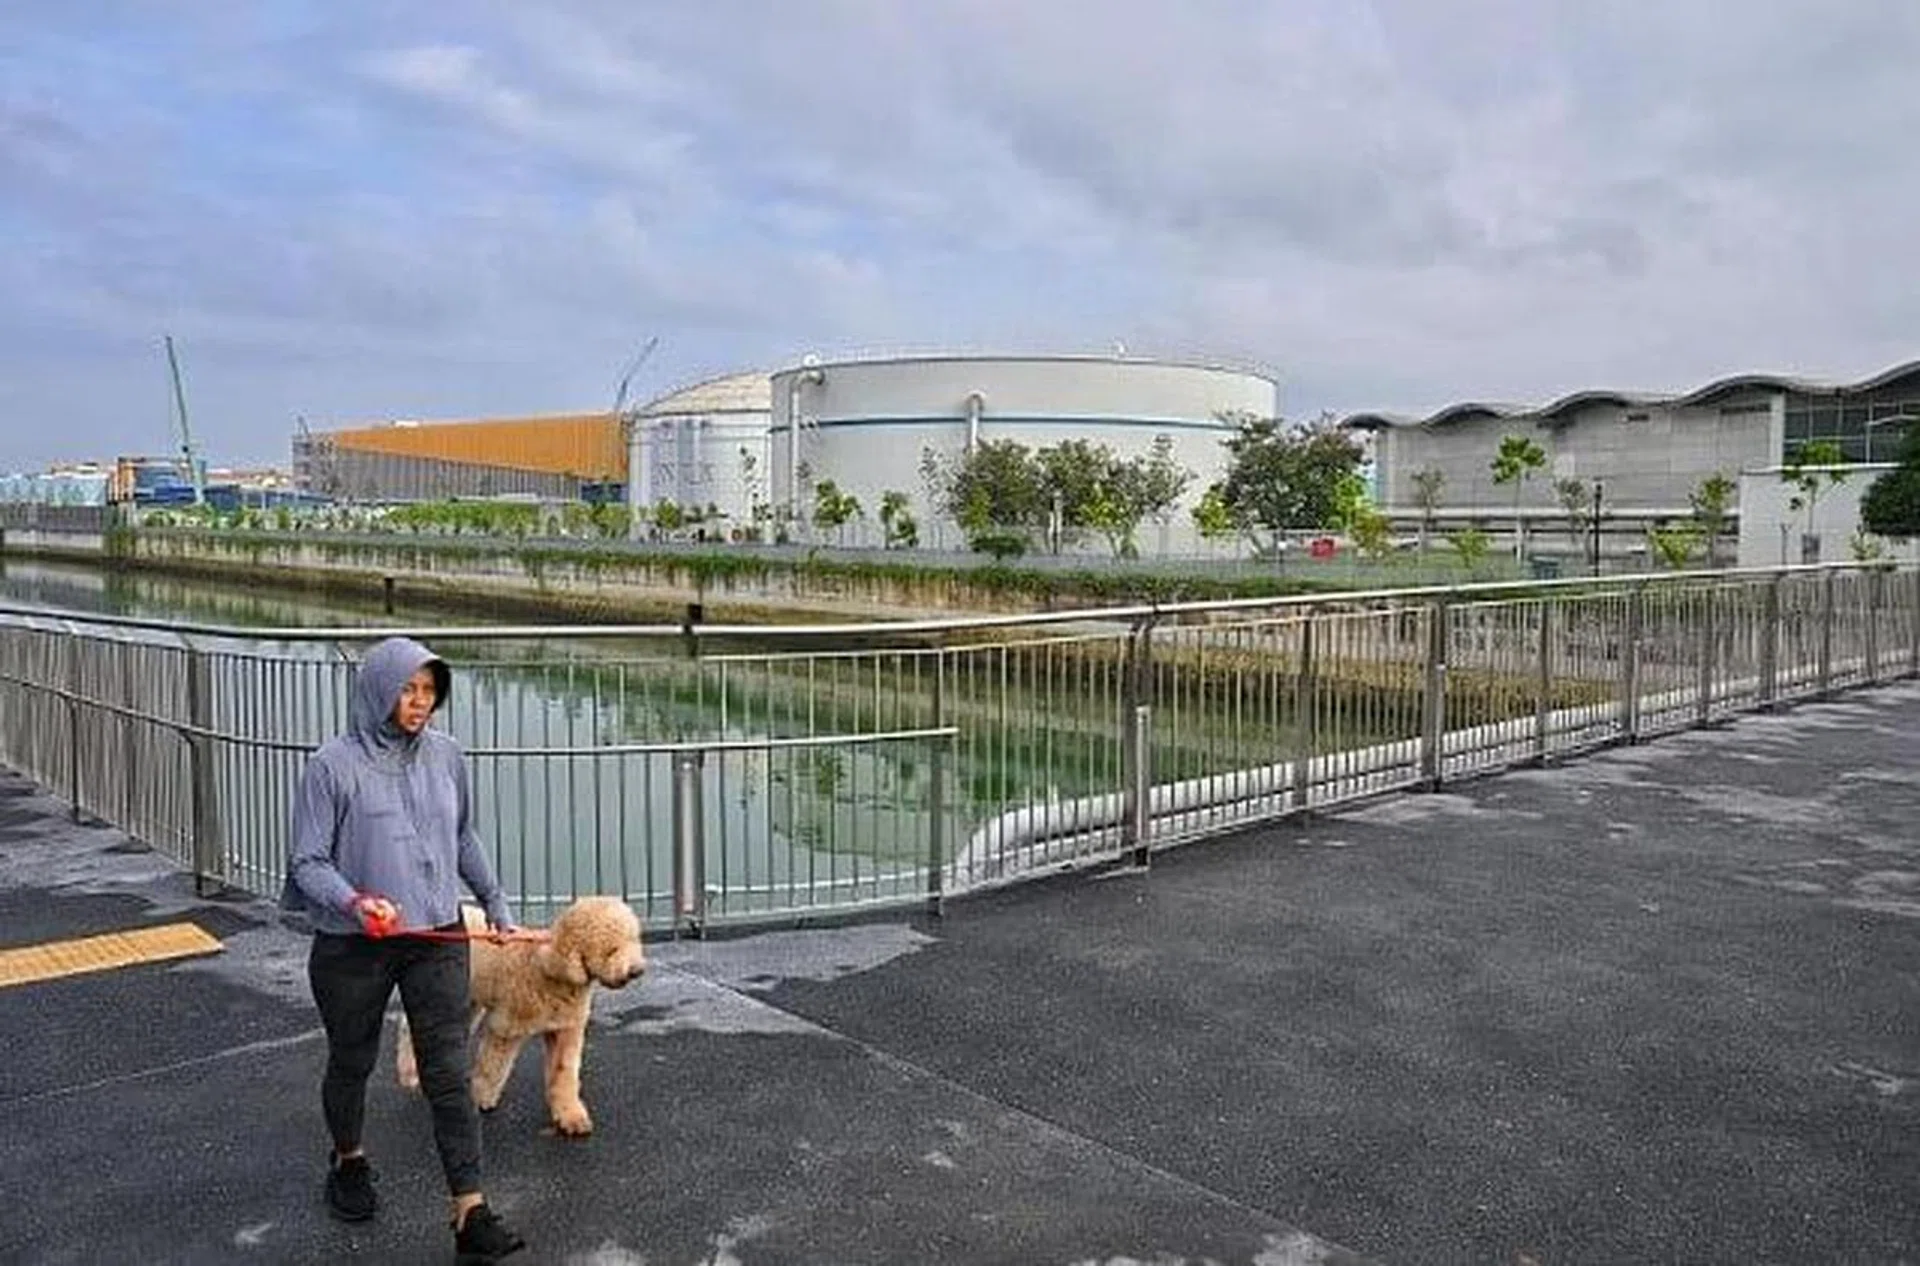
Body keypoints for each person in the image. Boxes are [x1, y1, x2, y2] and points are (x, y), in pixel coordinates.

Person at [281, 635, 526, 1263]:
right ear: (377, 691)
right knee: (352, 1060)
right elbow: (308, 861)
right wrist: (354, 903)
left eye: (428, 690)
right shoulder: (331, 766)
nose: (419, 702)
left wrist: (495, 902)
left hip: (437, 935)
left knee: (447, 1071)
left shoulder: (446, 754)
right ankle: (349, 1159)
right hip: (354, 944)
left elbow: (462, 835)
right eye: (407, 689)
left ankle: (469, 1212)